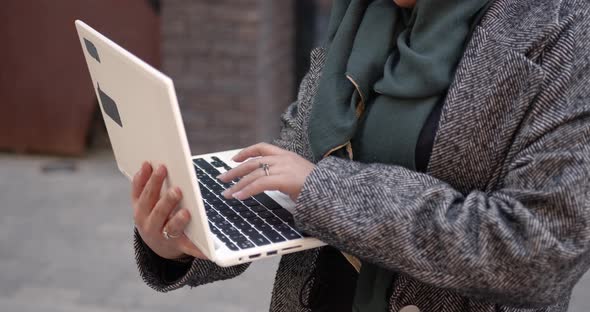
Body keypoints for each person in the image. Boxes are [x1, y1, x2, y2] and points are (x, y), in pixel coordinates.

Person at [130, 0, 590, 311]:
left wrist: (324, 190)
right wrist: (189, 238)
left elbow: (544, 251)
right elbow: (291, 171)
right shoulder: (361, 14)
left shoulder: (567, 34)